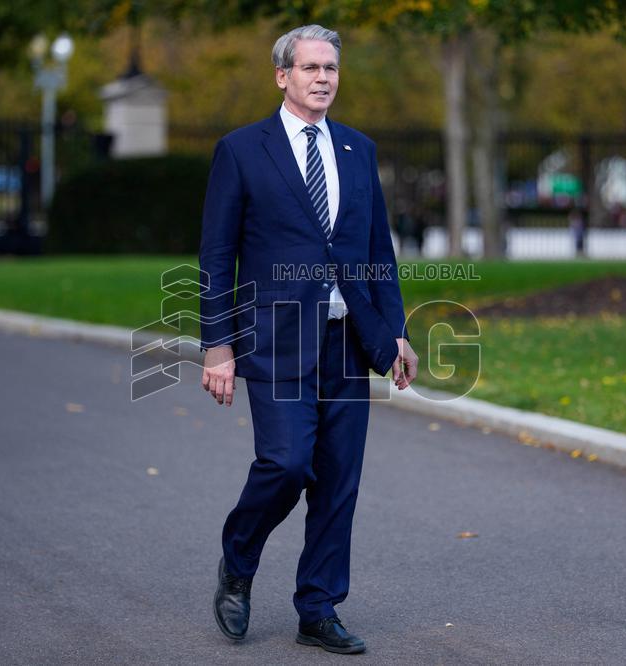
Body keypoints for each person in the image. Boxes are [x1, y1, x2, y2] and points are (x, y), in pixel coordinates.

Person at [198, 24, 418, 655]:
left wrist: (395, 331)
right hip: (273, 340)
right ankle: (238, 562)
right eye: (311, 67)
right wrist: (217, 346)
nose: (324, 77)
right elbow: (216, 257)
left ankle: (317, 608)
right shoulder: (241, 151)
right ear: (282, 76)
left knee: (338, 479)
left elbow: (379, 251)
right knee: (286, 463)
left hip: (348, 341)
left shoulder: (358, 149)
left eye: (331, 68)